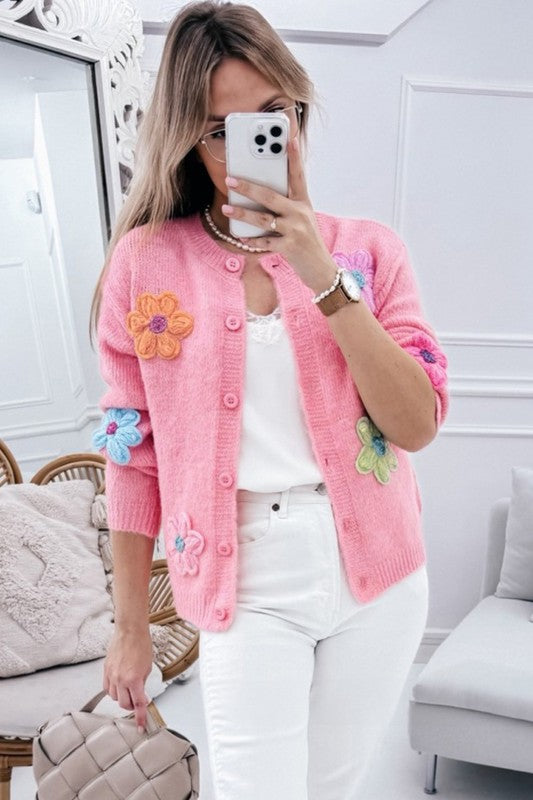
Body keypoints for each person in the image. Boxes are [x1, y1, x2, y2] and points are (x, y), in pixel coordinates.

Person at [90, 2, 450, 798]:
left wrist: (320, 271)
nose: (253, 144)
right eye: (221, 129)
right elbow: (131, 457)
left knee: (331, 789)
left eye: (272, 114)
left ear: (297, 110)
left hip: (379, 573)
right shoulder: (145, 264)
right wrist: (130, 627)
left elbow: (415, 423)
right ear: (187, 137)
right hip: (243, 574)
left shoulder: (368, 250)